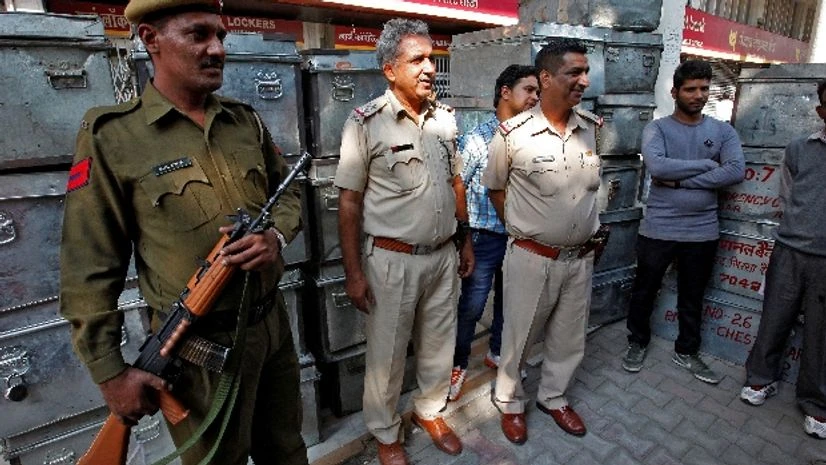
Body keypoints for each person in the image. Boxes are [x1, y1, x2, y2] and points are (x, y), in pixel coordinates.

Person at [59, 0, 307, 463]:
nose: (216, 49)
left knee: (288, 450)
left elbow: (288, 194)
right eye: (198, 35)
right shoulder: (114, 137)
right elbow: (88, 268)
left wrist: (276, 238)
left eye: (221, 36)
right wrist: (111, 372)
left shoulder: (243, 120)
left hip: (270, 328)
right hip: (196, 351)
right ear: (150, 39)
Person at [335, 18, 474, 465]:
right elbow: (350, 204)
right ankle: (385, 432)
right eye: (417, 60)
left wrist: (464, 240)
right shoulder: (365, 123)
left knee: (438, 343)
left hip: (442, 257)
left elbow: (456, 184)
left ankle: (430, 411)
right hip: (391, 262)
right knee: (387, 356)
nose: (429, 68)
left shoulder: (444, 120)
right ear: (390, 69)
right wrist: (353, 273)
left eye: (431, 58)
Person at [484, 38, 604, 444]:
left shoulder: (590, 129)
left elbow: (590, 191)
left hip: (580, 258)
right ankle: (511, 402)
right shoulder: (513, 132)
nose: (584, 81)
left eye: (586, 72)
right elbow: (496, 189)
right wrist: (529, 230)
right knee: (518, 337)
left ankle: (554, 397)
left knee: (569, 337)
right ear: (547, 77)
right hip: (531, 258)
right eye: (575, 72)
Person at [621, 60, 745, 384]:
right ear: (675, 91)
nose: (698, 95)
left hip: (702, 230)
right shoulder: (657, 128)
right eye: (691, 88)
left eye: (704, 88)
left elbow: (735, 170)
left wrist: (682, 181)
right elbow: (658, 168)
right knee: (645, 289)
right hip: (659, 226)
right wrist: (706, 164)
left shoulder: (722, 131)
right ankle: (637, 342)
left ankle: (687, 351)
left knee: (693, 295)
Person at [739, 80, 826, 440]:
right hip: (790, 249)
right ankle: (760, 380)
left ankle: (816, 404)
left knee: (822, 334)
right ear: (822, 110)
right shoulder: (799, 148)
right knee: (775, 317)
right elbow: (789, 196)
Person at [448, 64, 539, 402]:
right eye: (528, 90)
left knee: (510, 304)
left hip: (519, 238)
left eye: (536, 92)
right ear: (505, 92)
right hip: (484, 238)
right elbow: (457, 185)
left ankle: (497, 352)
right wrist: (465, 239)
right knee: (471, 307)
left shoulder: (532, 138)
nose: (534, 98)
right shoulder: (478, 138)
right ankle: (456, 365)